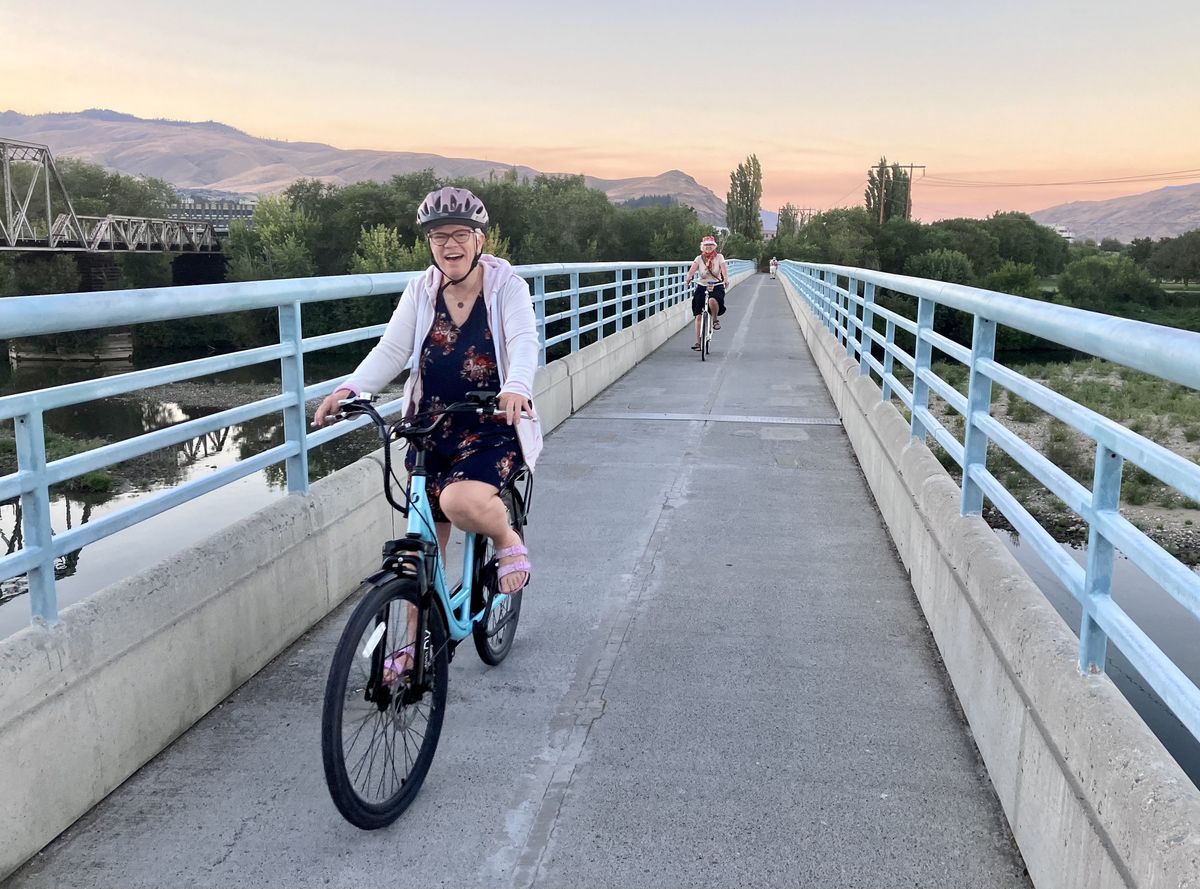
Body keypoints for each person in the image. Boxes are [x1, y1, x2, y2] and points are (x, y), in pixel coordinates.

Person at [314, 186, 541, 601]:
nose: (449, 244)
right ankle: (411, 655)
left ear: (479, 239)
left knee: (459, 502)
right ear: (430, 243)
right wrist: (351, 387)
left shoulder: (507, 285)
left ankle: (506, 538)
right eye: (439, 237)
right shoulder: (421, 289)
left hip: (490, 424)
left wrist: (516, 387)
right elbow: (392, 349)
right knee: (420, 553)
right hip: (430, 426)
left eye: (459, 234)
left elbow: (525, 340)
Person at [683, 235, 729, 350]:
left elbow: (723, 269)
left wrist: (726, 279)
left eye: (710, 245)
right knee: (698, 314)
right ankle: (698, 342)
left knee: (712, 301)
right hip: (702, 285)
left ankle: (715, 320)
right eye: (706, 245)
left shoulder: (719, 257)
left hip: (716, 285)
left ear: (714, 246)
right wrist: (688, 277)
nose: (708, 247)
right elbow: (692, 270)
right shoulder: (699, 259)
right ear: (702, 247)